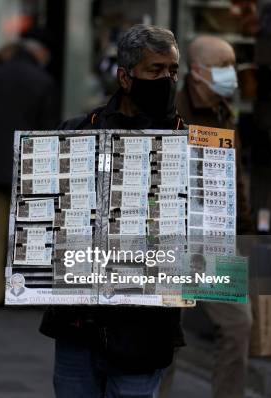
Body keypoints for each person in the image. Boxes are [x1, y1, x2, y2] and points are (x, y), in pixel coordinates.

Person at [40, 24, 185, 398]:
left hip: (145, 332)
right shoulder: (76, 134)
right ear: (125, 77)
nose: (167, 79)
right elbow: (43, 219)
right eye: (156, 70)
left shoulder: (191, 146)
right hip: (78, 327)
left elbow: (209, 242)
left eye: (173, 71)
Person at [159, 35, 254, 398]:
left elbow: (234, 185)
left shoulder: (224, 112)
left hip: (216, 241)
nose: (232, 73)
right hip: (172, 240)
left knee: (238, 326)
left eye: (233, 64)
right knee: (166, 333)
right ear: (197, 72)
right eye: (223, 65)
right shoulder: (171, 111)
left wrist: (245, 235)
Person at [0, 32, 59, 306]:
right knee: (28, 233)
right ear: (40, 53)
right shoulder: (44, 82)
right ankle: (23, 292)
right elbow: (48, 132)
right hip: (28, 169)